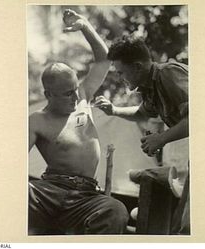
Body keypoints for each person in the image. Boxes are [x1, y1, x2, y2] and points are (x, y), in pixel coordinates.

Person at [28, 10, 129, 235]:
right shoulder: (36, 120)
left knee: (116, 210)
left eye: (74, 90)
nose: (74, 97)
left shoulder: (83, 96)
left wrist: (84, 26)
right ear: (49, 94)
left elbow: (104, 58)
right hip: (49, 192)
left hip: (86, 196)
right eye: (66, 93)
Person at [95, 35, 189, 234]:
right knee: (180, 224)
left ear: (137, 66)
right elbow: (140, 113)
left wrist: (161, 138)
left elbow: (200, 117)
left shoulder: (168, 74)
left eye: (121, 72)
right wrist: (114, 110)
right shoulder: (151, 86)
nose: (121, 78)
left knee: (187, 224)